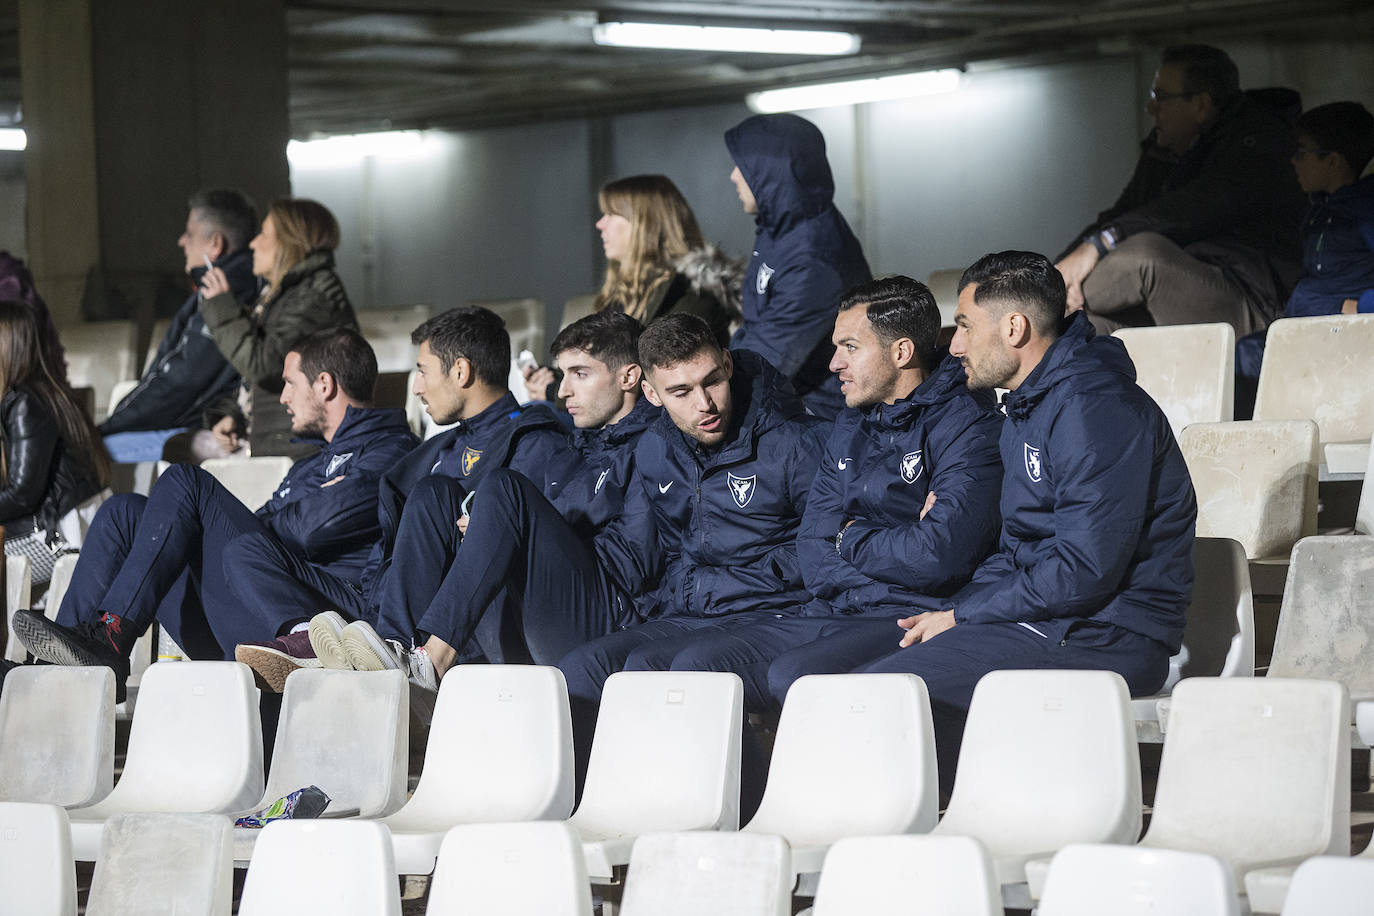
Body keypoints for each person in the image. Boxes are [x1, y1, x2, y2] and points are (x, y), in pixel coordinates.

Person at [856, 251, 1196, 791]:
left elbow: (1084, 569)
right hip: (1053, 619)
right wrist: (955, 610)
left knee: (879, 696)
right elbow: (1018, 549)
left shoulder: (1094, 407)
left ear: (1014, 328)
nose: (955, 343)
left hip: (1109, 632)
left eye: (965, 325)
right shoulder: (1028, 404)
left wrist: (965, 616)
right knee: (858, 679)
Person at [627, 277, 1004, 710]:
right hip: (832, 608)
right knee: (681, 666)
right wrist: (874, 541)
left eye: (849, 347)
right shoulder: (850, 422)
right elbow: (812, 549)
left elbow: (937, 556)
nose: (833, 364)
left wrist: (848, 536)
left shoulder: (968, 424)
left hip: (909, 613)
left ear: (900, 353)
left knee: (789, 677)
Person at [10, 329, 418, 694]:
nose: (282, 397)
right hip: (252, 597)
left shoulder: (392, 450)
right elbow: (288, 525)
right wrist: (282, 516)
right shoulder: (310, 466)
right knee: (123, 513)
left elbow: (312, 528)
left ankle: (114, 633)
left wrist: (267, 521)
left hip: (317, 629)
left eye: (290, 383)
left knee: (186, 483)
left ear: (325, 385)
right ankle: (49, 672)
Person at [290, 309, 658, 686]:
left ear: (629, 376)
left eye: (580, 374)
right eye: (562, 374)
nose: (562, 390)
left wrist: (524, 533)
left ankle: (433, 662)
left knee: (503, 490)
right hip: (551, 598)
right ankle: (392, 648)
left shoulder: (651, 448)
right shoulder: (582, 442)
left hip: (609, 614)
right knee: (435, 493)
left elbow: (635, 565)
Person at [221, 306, 570, 687]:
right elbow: (387, 552)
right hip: (380, 609)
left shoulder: (535, 443)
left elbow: (543, 552)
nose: (416, 386)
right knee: (243, 547)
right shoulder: (433, 453)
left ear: (461, 372)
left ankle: (390, 655)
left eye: (422, 371)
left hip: (470, 630)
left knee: (432, 494)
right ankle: (352, 645)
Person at [557, 313, 826, 738]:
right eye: (680, 391)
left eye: (712, 381)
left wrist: (721, 584)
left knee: (674, 670)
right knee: (582, 668)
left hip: (777, 611)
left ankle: (734, 795)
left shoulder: (797, 442)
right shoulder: (654, 450)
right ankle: (597, 797)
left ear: (727, 363)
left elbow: (822, 550)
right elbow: (667, 549)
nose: (705, 404)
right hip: (694, 612)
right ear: (650, 392)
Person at [1055, 44, 1306, 336]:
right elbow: (1122, 213)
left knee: (1143, 257)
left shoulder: (1257, 144)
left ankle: (1034, 305)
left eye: (1160, 97)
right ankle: (1037, 301)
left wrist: (1099, 244)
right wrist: (1058, 268)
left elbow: (1195, 207)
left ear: (1200, 105)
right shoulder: (1167, 149)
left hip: (1248, 299)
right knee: (1076, 334)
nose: (1151, 109)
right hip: (1174, 293)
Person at [524, 174, 739, 400]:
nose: (600, 224)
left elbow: (643, 384)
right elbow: (606, 367)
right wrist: (555, 378)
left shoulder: (693, 295)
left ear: (644, 225)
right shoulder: (623, 294)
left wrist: (555, 394)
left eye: (611, 214)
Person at [724, 112, 871, 420]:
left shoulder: (813, 258)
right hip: (785, 404)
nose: (734, 176)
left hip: (818, 420)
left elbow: (764, 364)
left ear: (771, 172)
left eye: (744, 167)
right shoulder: (781, 228)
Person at [100, 189, 261, 462]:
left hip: (202, 428)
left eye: (189, 233)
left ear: (215, 244)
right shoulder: (233, 283)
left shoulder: (224, 291)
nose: (181, 241)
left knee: (91, 454)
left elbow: (182, 379)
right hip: (205, 421)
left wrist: (109, 426)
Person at [1235, 102, 1374, 415]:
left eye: (1301, 152)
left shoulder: (1365, 211)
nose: (1293, 162)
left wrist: (1357, 308)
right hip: (1303, 329)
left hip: (1343, 340)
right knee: (1241, 355)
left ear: (1333, 161)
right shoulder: (1320, 209)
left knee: (1248, 358)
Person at [199, 197, 358, 458]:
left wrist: (222, 309)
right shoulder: (282, 296)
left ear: (289, 242)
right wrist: (232, 414)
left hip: (301, 449)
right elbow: (259, 381)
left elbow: (265, 364)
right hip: (274, 438)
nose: (253, 243)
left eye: (263, 233)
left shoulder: (315, 295)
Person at [0, 301, 111, 586]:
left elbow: (23, 494)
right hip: (76, 528)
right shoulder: (49, 391)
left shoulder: (25, 402)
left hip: (60, 539)